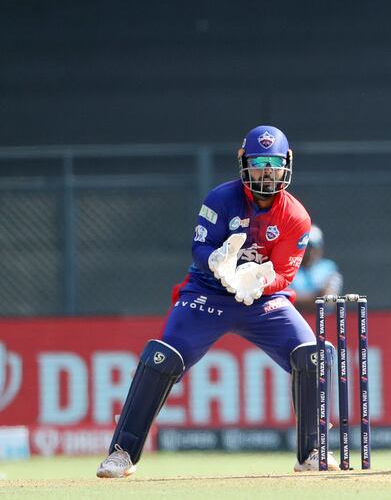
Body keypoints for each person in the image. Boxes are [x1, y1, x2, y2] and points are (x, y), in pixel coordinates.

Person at [96, 125, 337, 478]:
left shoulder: (296, 216)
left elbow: (285, 273)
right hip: (208, 294)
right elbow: (200, 247)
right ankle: (122, 453)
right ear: (244, 163)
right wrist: (217, 262)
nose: (266, 171)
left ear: (286, 163)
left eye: (273, 162)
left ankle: (312, 452)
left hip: (262, 301)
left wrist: (260, 279)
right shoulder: (221, 199)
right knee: (161, 357)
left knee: (314, 354)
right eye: (258, 162)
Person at [290, 224, 343, 312]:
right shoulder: (289, 267)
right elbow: (286, 300)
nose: (310, 252)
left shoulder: (329, 268)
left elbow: (328, 301)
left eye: (313, 247)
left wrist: (298, 297)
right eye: (306, 247)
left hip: (323, 320)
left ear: (320, 248)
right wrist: (317, 296)